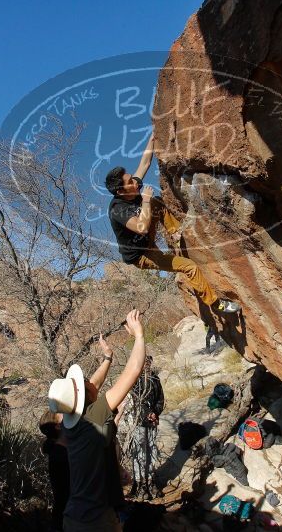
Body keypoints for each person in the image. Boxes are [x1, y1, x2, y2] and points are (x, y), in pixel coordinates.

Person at [105, 133, 241, 314]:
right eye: (130, 182)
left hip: (147, 238)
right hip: (142, 255)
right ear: (121, 191)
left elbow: (144, 163)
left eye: (132, 178)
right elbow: (142, 228)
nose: (135, 182)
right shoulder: (117, 209)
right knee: (188, 266)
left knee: (157, 202)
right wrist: (145, 200)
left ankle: (176, 231)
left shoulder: (132, 187)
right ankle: (217, 304)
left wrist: (153, 136)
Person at [48, 310, 148, 532]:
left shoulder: (69, 423)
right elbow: (132, 372)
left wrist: (108, 358)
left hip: (72, 518)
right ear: (85, 396)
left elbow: (91, 385)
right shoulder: (95, 415)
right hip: (96, 521)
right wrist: (139, 337)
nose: (91, 382)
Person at [39, 335, 115, 531]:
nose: (70, 413)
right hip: (79, 520)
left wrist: (107, 358)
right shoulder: (64, 452)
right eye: (62, 415)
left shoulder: (67, 438)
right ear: (58, 427)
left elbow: (92, 387)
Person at [126, 355, 164, 500]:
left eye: (148, 362)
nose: (146, 365)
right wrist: (147, 413)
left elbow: (160, 399)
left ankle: (151, 483)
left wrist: (155, 412)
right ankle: (139, 485)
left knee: (152, 452)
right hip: (138, 422)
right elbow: (135, 400)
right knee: (139, 453)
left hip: (152, 422)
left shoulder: (155, 379)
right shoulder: (134, 380)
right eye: (144, 362)